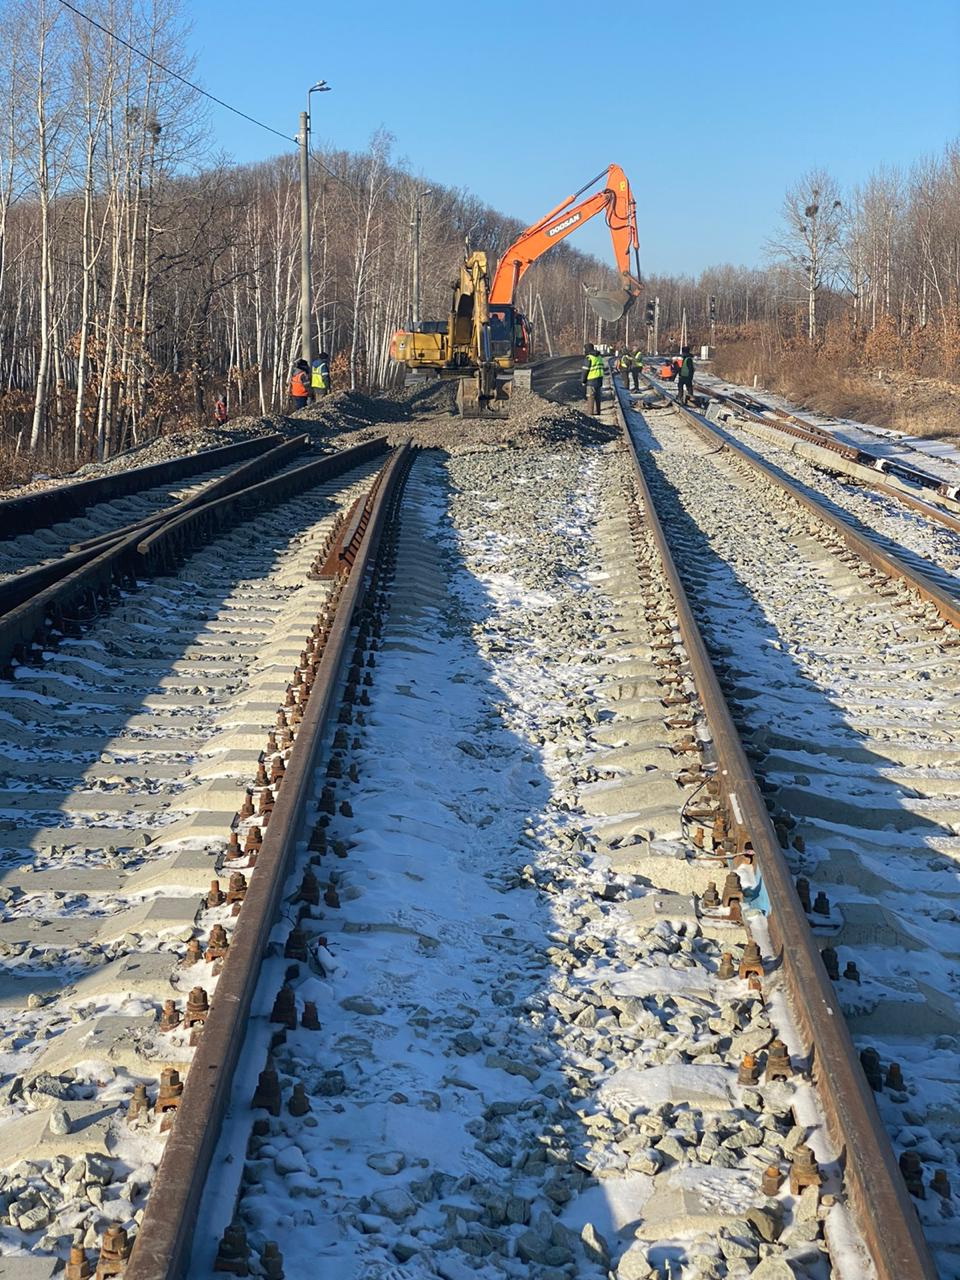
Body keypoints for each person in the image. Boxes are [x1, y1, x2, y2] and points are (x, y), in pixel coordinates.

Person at [581, 343, 605, 415]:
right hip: (599, 379)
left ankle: (590, 413)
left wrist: (583, 381)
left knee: (590, 397)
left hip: (591, 380)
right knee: (598, 396)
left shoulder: (589, 358)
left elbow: (585, 371)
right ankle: (598, 411)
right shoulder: (599, 357)